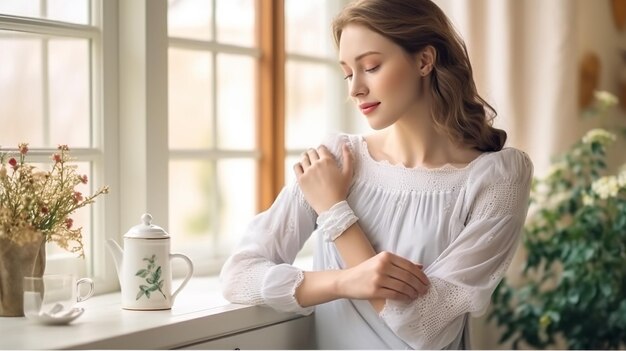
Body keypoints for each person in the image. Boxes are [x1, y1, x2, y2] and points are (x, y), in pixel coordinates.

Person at [220, 0, 533, 349]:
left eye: (371, 66)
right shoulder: (335, 160)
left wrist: (337, 215)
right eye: (347, 73)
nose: (355, 89)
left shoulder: (498, 177)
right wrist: (344, 282)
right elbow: (238, 276)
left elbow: (423, 325)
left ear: (424, 60)